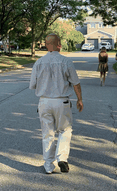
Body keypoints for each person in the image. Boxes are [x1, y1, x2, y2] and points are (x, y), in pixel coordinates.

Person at [29, 33, 83, 174]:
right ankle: (62, 157)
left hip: (44, 101)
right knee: (65, 130)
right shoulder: (66, 62)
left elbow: (33, 84)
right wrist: (80, 99)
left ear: (46, 45)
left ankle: (48, 165)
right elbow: (76, 83)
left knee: (47, 133)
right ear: (59, 44)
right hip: (61, 101)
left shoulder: (38, 62)